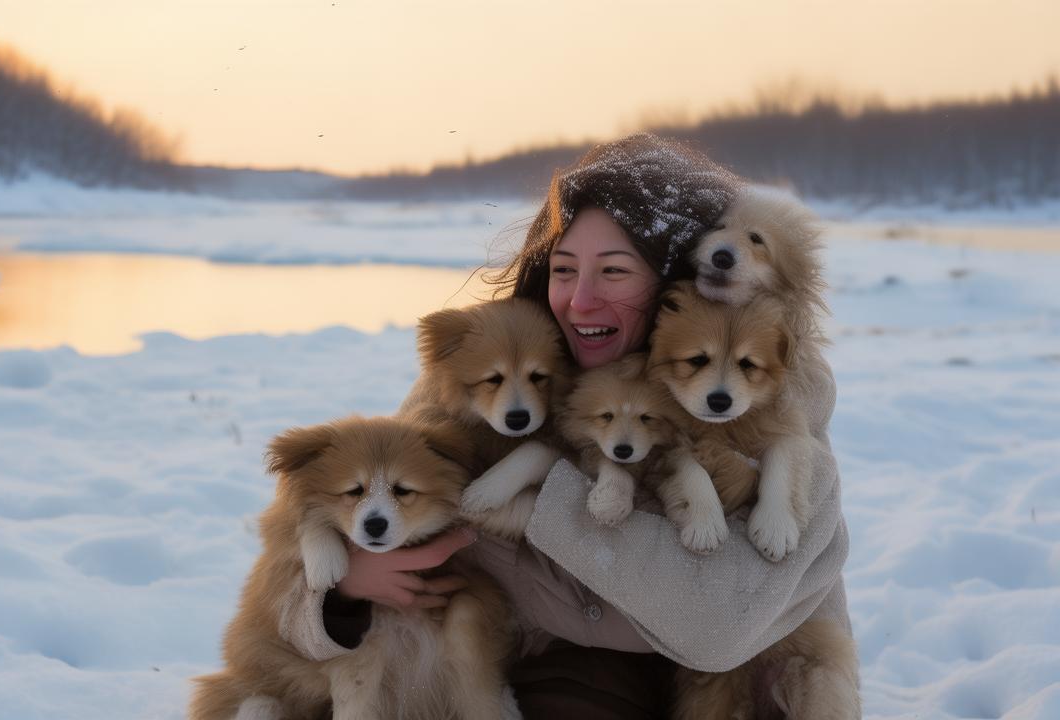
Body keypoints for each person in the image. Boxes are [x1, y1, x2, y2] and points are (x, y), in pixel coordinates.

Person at [276, 134, 853, 718]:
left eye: (614, 271)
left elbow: (719, 627)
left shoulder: (764, 404)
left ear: (676, 281)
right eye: (563, 269)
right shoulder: (493, 369)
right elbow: (306, 578)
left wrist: (537, 502)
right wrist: (344, 592)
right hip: (522, 670)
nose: (578, 300)